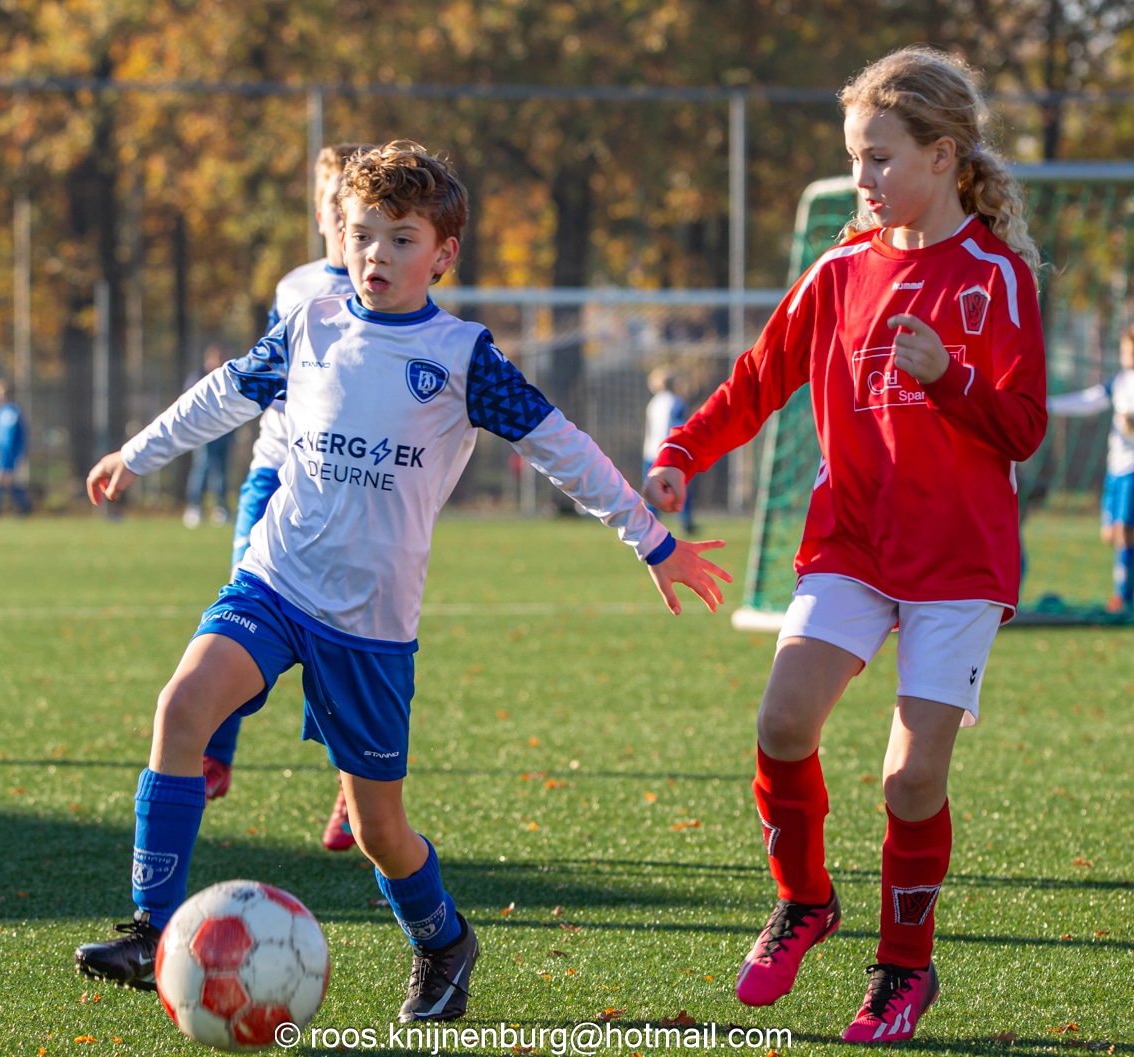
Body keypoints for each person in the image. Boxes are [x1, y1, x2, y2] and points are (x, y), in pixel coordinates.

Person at [75, 141, 731, 1020]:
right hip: (275, 580)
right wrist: (135, 453)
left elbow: (564, 449)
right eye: (361, 234)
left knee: (379, 828)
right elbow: (223, 393)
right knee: (182, 707)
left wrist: (653, 542)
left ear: (443, 253)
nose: (375, 254)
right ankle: (152, 927)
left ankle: (443, 938)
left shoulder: (462, 357)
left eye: (400, 238)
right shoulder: (310, 325)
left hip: (370, 626)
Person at [645, 46, 1045, 1043]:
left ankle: (904, 967)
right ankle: (805, 901)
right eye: (854, 157)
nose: (861, 178)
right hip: (852, 543)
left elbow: (1025, 428)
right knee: (784, 721)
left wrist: (949, 377)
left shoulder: (996, 278)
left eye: (879, 158)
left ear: (944, 156)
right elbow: (758, 378)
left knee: (909, 781)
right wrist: (682, 453)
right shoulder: (838, 271)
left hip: (958, 560)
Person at [204, 143, 372, 859]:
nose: (340, 213)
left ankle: (353, 784)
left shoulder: (388, 291)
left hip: (343, 490)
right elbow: (266, 380)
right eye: (331, 200)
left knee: (341, 636)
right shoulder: (296, 288)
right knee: (239, 603)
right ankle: (213, 752)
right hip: (275, 471)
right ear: (321, 210)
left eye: (352, 203)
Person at [1046, 322, 1134, 613]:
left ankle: (1122, 597)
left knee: (1124, 531)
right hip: (1115, 469)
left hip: (1132, 471)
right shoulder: (1120, 381)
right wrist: (1049, 405)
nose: (1126, 354)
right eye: (1125, 349)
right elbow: (1090, 400)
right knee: (1111, 534)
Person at [182, 344, 233, 528]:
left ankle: (220, 508)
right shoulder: (198, 379)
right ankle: (194, 506)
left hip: (225, 432)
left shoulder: (230, 379)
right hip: (203, 434)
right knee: (202, 467)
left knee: (221, 470)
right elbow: (188, 406)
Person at [643, 365, 694, 534]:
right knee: (680, 487)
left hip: (650, 451)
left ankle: (649, 524)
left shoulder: (653, 402)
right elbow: (680, 425)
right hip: (669, 452)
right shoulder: (676, 401)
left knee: (653, 489)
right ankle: (685, 521)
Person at [0, 378, 32, 516]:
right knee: (0, 481)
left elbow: (8, 438)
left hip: (8, 454)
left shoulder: (11, 411)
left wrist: (8, 456)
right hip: (0, 454)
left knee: (0, 481)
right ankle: (21, 507)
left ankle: (22, 506)